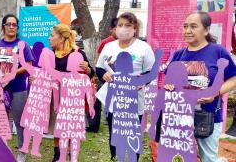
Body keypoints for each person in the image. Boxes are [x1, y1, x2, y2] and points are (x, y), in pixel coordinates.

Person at [161, 11, 236, 162]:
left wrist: (214, 93)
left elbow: (233, 78)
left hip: (208, 115)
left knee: (208, 158)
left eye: (193, 26)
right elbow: (169, 81)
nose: (187, 31)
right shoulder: (178, 55)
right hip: (180, 116)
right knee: (182, 156)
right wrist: (169, 87)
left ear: (206, 30)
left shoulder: (218, 51)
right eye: (185, 26)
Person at [95, 12, 155, 161]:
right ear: (115, 28)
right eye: (120, 25)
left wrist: (143, 81)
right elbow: (99, 67)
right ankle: (115, 157)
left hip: (134, 100)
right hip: (114, 100)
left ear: (135, 28)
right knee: (115, 132)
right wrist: (104, 75)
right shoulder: (108, 46)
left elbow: (152, 71)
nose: (123, 28)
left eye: (127, 25)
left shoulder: (144, 47)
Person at [0, 14, 35, 162]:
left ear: (17, 28)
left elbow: (29, 66)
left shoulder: (23, 45)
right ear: (3, 26)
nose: (12, 27)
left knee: (20, 121)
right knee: (1, 121)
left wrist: (11, 74)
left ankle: (21, 151)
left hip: (19, 89)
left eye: (14, 24)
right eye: (9, 24)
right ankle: (2, 149)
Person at [47, 24, 94, 162]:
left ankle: (70, 155)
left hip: (72, 97)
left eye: (52, 35)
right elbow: (44, 73)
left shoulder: (77, 53)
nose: (49, 38)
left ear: (61, 38)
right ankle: (57, 155)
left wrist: (87, 69)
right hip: (56, 94)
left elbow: (90, 73)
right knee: (57, 125)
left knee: (70, 126)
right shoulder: (50, 53)